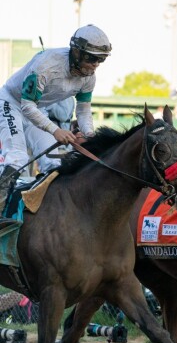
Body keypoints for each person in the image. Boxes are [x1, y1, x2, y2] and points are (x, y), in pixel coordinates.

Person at [0, 25, 110, 213]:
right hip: (12, 103)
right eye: (91, 58)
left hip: (37, 109)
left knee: (54, 163)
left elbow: (83, 110)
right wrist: (55, 130)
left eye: (100, 59)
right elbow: (26, 106)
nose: (95, 64)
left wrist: (90, 135)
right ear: (77, 52)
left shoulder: (89, 78)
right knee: (17, 158)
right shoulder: (46, 65)